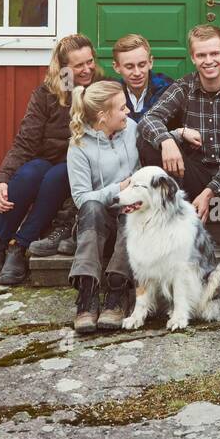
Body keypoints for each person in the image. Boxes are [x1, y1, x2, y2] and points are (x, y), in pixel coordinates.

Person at [137, 25, 220, 316]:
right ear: (193, 58)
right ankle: (164, 243)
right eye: (201, 55)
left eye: (214, 53)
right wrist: (169, 138)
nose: (209, 61)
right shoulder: (183, 87)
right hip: (191, 175)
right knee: (149, 145)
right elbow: (149, 120)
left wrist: (210, 192)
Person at [0, 34, 102, 286]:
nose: (87, 68)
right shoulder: (47, 94)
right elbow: (25, 140)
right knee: (29, 173)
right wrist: (2, 179)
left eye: (90, 61)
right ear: (64, 68)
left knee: (56, 175)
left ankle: (19, 244)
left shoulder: (102, 88)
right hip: (46, 160)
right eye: (79, 65)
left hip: (82, 164)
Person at [66, 80, 139, 335]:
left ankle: (117, 291)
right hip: (95, 228)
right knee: (92, 206)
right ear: (102, 116)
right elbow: (81, 199)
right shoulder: (78, 145)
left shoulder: (132, 129)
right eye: (122, 108)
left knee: (133, 213)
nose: (128, 112)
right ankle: (87, 294)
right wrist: (119, 188)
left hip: (128, 222)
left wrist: (176, 135)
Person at [111, 33, 174, 122]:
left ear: (150, 62)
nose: (137, 73)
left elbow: (148, 123)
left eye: (141, 65)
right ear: (116, 67)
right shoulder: (112, 94)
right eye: (129, 67)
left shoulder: (166, 88)